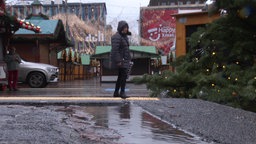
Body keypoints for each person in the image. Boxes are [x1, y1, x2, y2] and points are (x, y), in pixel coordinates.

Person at [110, 20, 132, 99]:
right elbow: (115, 50)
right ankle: (122, 92)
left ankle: (116, 92)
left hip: (124, 60)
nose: (126, 29)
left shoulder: (123, 37)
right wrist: (119, 61)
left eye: (127, 27)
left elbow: (125, 49)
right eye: (125, 27)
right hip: (121, 61)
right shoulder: (117, 37)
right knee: (123, 77)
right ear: (121, 28)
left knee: (121, 77)